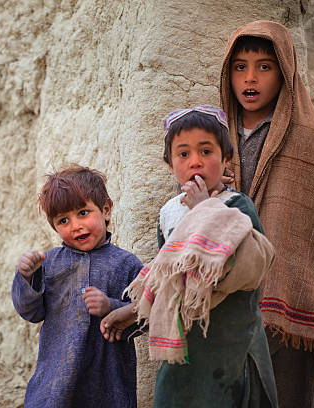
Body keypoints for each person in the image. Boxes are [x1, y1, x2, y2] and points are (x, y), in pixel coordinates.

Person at [101, 106, 278, 407]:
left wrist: (203, 210)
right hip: (183, 346)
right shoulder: (168, 213)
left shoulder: (236, 206)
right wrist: (133, 311)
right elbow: (167, 278)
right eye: (183, 154)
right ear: (169, 164)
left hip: (229, 345)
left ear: (225, 159)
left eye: (206, 151)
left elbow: (252, 267)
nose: (195, 161)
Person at [219, 20, 314, 407]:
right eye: (240, 66)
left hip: (286, 303)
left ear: (285, 72)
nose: (250, 78)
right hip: (225, 297)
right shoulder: (215, 137)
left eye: (265, 66)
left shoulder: (310, 141)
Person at [11, 165, 143, 408]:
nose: (75, 226)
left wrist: (111, 306)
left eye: (83, 212)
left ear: (105, 210)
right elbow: (30, 312)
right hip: (55, 383)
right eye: (63, 220)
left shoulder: (126, 264)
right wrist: (26, 277)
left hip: (108, 383)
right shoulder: (49, 263)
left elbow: (146, 317)